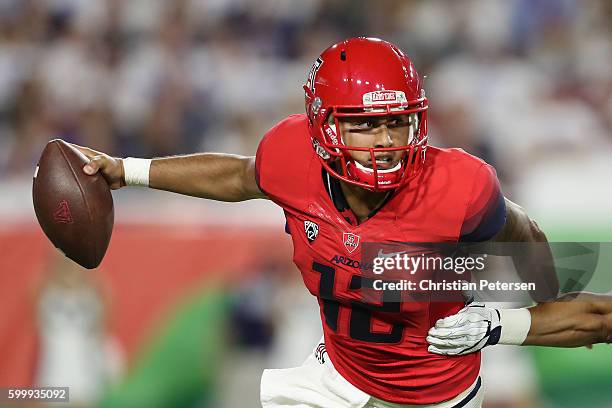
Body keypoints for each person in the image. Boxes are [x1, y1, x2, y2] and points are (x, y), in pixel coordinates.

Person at [71, 37, 587, 408]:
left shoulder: (460, 186)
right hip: (336, 377)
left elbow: (526, 243)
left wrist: (528, 304)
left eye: (396, 121)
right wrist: (128, 171)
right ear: (322, 126)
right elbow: (238, 177)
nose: (385, 141)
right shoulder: (291, 155)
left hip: (429, 396)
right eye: (364, 125)